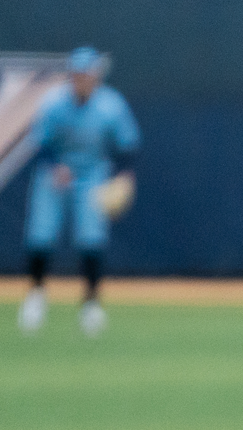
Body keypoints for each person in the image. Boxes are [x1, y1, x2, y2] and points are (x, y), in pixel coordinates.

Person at [16, 47, 140, 339]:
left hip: (93, 174)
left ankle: (91, 304)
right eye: (78, 75)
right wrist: (56, 166)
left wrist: (125, 175)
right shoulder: (54, 103)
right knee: (40, 236)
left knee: (90, 239)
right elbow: (40, 143)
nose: (83, 80)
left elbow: (129, 145)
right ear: (71, 77)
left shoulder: (110, 105)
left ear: (96, 77)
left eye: (88, 75)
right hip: (55, 173)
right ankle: (35, 297)